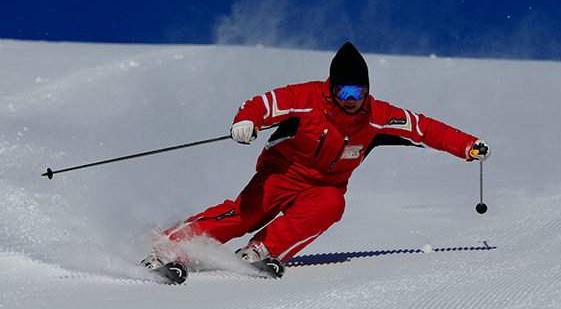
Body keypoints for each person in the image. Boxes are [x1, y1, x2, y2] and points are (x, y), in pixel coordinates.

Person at [142, 42, 490, 275]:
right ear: (331, 87)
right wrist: (247, 121)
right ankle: (167, 246)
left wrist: (468, 146)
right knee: (246, 214)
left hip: (324, 186)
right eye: (344, 91)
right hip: (282, 173)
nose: (351, 99)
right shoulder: (307, 98)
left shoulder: (379, 116)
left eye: (358, 91)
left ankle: (261, 250)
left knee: (332, 202)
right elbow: (264, 104)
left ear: (367, 91)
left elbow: (426, 129)